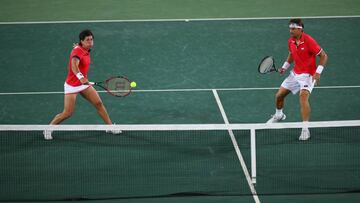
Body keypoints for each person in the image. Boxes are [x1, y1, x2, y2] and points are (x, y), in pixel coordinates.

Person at [43, 29, 121, 140]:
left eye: (91, 39)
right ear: (82, 41)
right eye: (87, 40)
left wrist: (78, 47)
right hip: (72, 85)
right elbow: (74, 65)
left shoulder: (84, 49)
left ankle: (109, 126)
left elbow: (78, 51)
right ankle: (48, 128)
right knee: (67, 113)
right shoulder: (78, 52)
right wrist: (81, 77)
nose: (90, 42)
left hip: (83, 84)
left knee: (98, 103)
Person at [267, 19, 328, 141]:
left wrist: (318, 72)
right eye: (290, 29)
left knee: (303, 97)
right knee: (279, 96)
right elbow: (291, 55)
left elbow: (324, 56)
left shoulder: (309, 41)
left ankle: (305, 129)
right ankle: (279, 115)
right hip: (295, 74)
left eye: (293, 29)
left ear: (300, 29)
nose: (291, 31)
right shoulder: (291, 41)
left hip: (308, 75)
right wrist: (284, 67)